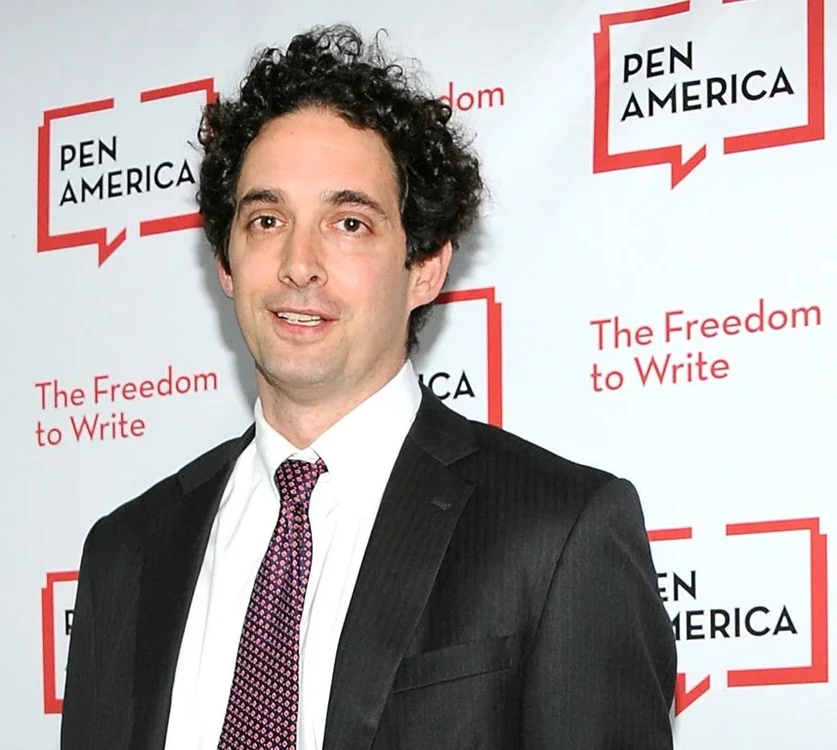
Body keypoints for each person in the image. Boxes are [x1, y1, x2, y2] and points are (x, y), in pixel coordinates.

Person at [60, 24, 677, 750]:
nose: (299, 264)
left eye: (349, 223)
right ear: (226, 263)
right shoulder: (128, 552)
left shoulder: (557, 532)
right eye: (266, 220)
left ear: (425, 268)